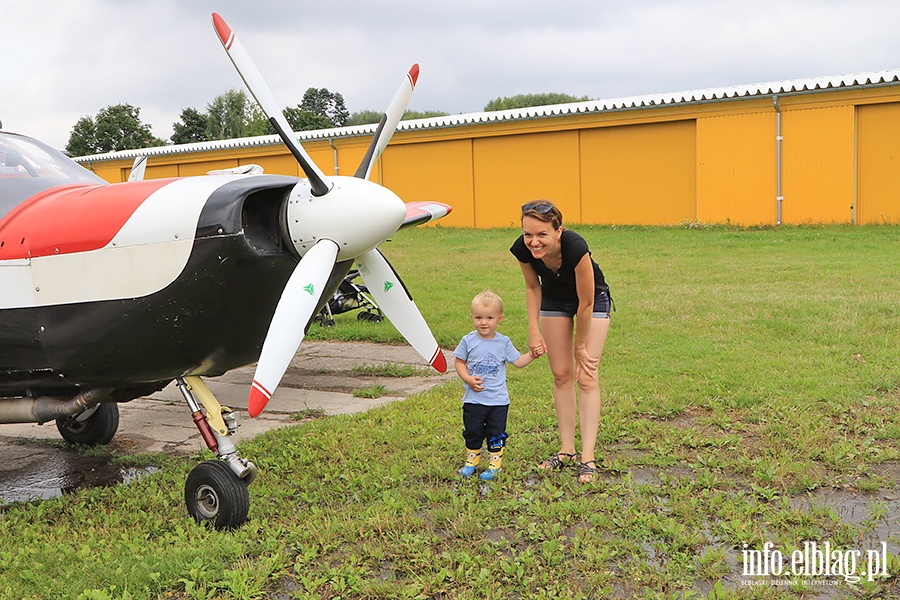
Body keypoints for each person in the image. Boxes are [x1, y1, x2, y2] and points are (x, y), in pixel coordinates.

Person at [510, 200, 612, 483]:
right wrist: (533, 329)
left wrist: (580, 346)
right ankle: (566, 450)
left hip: (592, 301)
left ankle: (588, 457)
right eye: (528, 234)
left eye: (542, 234)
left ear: (558, 231)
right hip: (554, 300)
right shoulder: (522, 249)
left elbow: (587, 302)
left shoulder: (576, 247)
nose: (533, 241)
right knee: (561, 374)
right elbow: (533, 287)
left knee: (587, 375)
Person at [454, 290, 541, 481]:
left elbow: (517, 361)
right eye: (478, 317)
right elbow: (459, 362)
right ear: (472, 317)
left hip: (498, 401)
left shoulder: (503, 342)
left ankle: (495, 465)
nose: (483, 322)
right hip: (473, 400)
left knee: (496, 433)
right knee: (473, 431)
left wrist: (532, 355)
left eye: (489, 318)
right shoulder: (468, 341)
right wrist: (468, 379)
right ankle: (472, 461)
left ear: (500, 319)